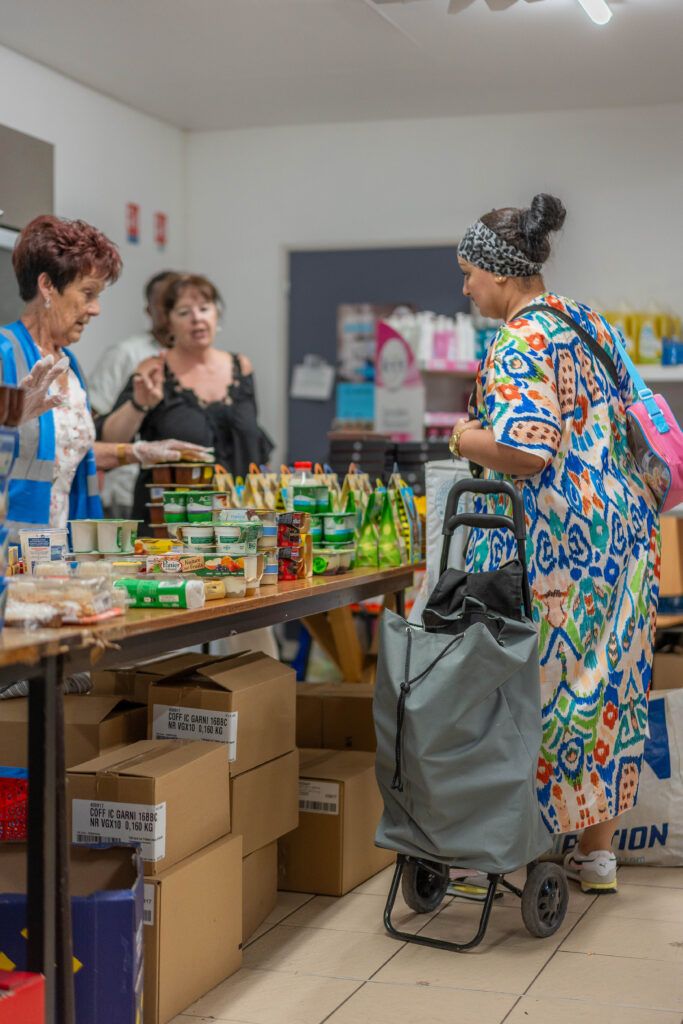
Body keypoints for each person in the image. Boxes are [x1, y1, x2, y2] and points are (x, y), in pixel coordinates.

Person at [452, 194, 660, 895]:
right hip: (624, 535)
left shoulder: (519, 340)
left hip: (556, 548)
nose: (465, 289)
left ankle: (521, 844)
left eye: (468, 275)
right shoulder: (587, 320)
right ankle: (596, 855)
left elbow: (526, 449)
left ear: (499, 273)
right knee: (607, 684)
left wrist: (462, 437)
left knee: (533, 691)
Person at [0, 215, 209, 532]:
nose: (96, 309)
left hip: (58, 542)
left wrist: (139, 452)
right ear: (47, 286)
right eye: (88, 293)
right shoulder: (5, 353)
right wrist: (9, 423)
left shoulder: (68, 363)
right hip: (13, 546)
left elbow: (67, 452)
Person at [101, 272, 272, 526]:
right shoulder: (153, 368)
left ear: (216, 314)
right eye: (184, 312)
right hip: (169, 526)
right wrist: (139, 404)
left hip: (235, 524)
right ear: (168, 323)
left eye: (204, 308)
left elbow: (251, 443)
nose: (197, 318)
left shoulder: (241, 367)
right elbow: (112, 440)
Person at [88, 269, 180, 516]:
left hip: (184, 494)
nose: (172, 313)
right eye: (165, 305)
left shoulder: (198, 363)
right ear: (149, 310)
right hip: (127, 492)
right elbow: (92, 421)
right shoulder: (126, 354)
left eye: (178, 305)